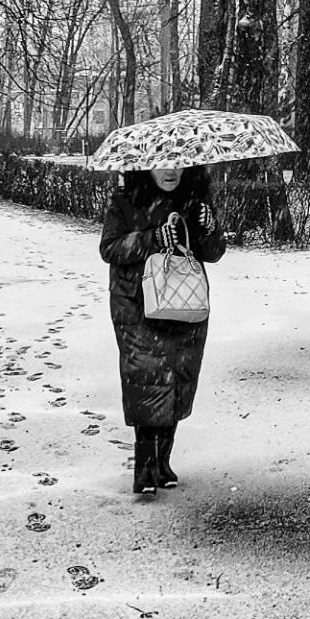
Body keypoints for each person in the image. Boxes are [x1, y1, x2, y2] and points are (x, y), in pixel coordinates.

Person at [99, 164, 226, 496]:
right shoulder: (126, 200)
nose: (172, 171)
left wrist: (208, 229)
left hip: (184, 306)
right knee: (147, 380)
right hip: (136, 307)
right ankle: (145, 467)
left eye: (179, 163)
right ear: (146, 167)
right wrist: (151, 239)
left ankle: (164, 460)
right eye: (163, 164)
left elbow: (212, 253)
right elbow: (110, 248)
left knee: (178, 381)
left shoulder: (195, 202)